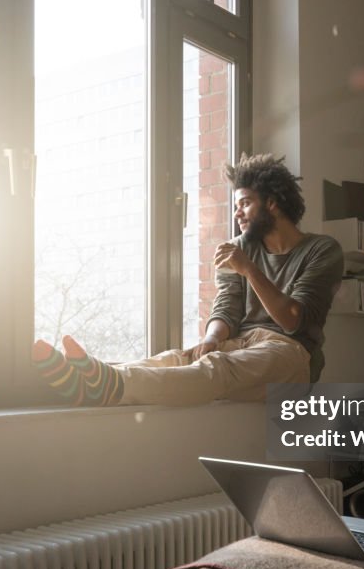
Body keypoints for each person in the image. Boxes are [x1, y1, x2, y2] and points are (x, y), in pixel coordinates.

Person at [31, 153, 343, 406]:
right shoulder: (239, 248)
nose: (237, 214)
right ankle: (88, 380)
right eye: (235, 206)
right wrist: (211, 338)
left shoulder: (321, 249)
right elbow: (227, 307)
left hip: (291, 355)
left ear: (273, 203)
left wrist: (249, 269)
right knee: (180, 358)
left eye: (245, 203)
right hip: (244, 342)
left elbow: (293, 320)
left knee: (216, 368)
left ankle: (111, 386)